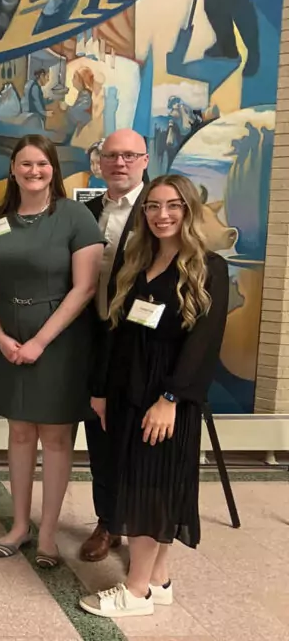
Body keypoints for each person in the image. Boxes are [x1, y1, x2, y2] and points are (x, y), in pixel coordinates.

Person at [80, 174, 229, 618]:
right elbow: (118, 334)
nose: (162, 215)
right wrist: (103, 391)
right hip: (129, 391)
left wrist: (170, 398)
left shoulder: (208, 266)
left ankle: (136, 590)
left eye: (173, 206)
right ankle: (159, 579)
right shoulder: (139, 260)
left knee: (151, 490)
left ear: (189, 211)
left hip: (166, 399)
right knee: (154, 488)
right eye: (153, 207)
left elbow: (204, 342)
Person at [0, 134, 104, 568]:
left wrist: (39, 341)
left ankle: (48, 534)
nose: (34, 171)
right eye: (25, 164)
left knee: (54, 436)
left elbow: (85, 287)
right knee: (18, 433)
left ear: (53, 168)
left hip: (60, 341)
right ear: (12, 169)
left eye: (42, 164)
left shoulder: (76, 217)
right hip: (8, 338)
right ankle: (19, 525)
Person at [78, 127, 149, 562]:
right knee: (100, 434)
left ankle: (138, 523)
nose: (119, 163)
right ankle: (108, 522)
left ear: (144, 160)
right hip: (95, 340)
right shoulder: (88, 209)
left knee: (133, 439)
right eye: (111, 156)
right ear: (99, 162)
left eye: (128, 156)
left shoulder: (158, 210)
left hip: (138, 342)